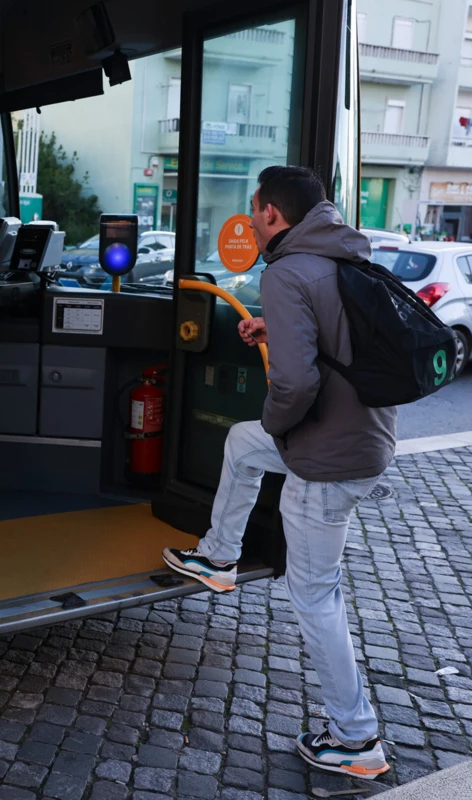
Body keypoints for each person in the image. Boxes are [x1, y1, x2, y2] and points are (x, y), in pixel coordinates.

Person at [161, 166, 396, 778]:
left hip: (328, 457)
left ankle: (356, 739)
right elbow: (340, 341)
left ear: (270, 215)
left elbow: (293, 384)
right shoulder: (348, 258)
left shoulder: (287, 270)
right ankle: (218, 557)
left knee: (317, 596)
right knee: (244, 445)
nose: (253, 216)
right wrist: (278, 330)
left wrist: (279, 416)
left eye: (254, 207)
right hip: (365, 440)